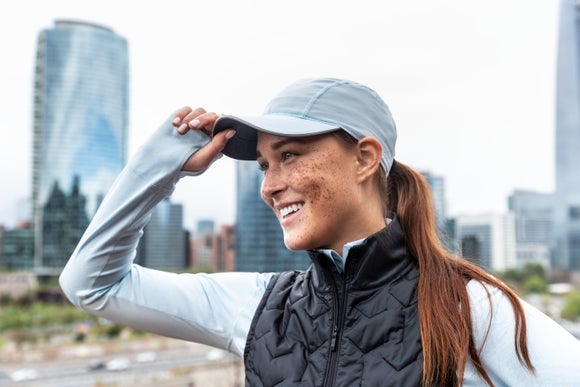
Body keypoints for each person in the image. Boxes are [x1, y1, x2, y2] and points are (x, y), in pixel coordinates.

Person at [60, 77, 580, 386]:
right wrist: (164, 164)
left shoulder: (473, 308)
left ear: (365, 158)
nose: (270, 185)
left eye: (289, 155)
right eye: (264, 165)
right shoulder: (259, 305)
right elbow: (92, 284)